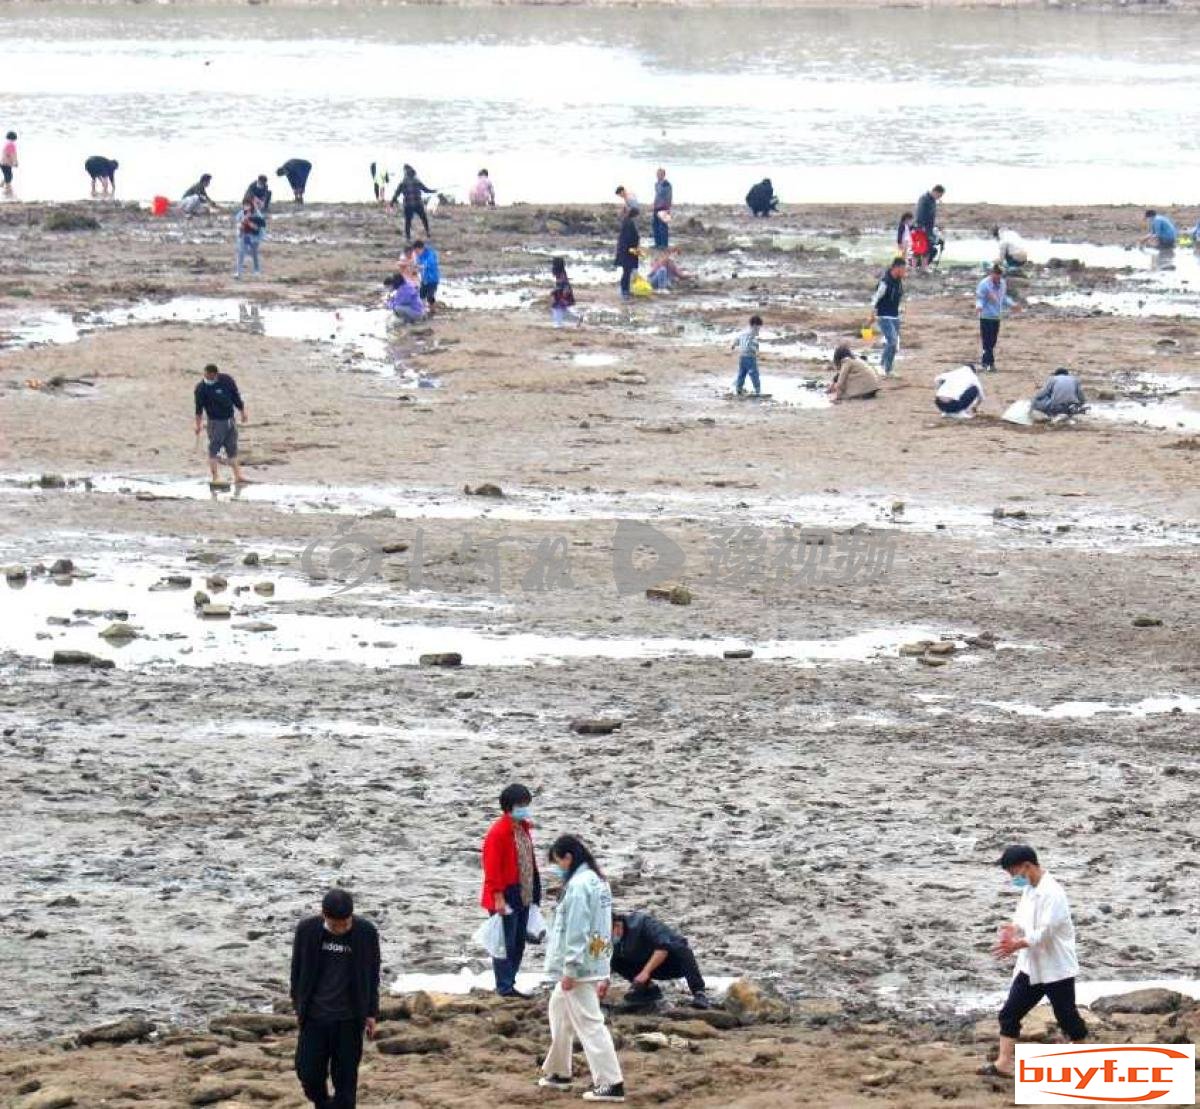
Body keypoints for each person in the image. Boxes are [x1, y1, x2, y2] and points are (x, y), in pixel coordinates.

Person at [981, 845, 1087, 1079]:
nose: (1012, 878)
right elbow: (1022, 917)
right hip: (1032, 967)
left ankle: (1083, 1057)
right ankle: (1003, 1064)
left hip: (1056, 967)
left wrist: (1016, 945)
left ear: (1027, 866)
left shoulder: (1053, 893)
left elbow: (1045, 932)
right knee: (1009, 1013)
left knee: (1067, 1017)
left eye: (1013, 873)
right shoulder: (1030, 888)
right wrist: (1012, 928)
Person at [538, 834, 625, 1104]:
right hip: (594, 960)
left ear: (568, 858)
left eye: (558, 862)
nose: (557, 868)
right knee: (559, 1011)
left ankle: (611, 1082)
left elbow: (577, 930)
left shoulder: (578, 886)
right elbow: (604, 926)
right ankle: (559, 1071)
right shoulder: (599, 882)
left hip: (579, 966)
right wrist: (605, 971)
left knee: (589, 1023)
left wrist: (570, 970)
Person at [290, 888, 381, 1109]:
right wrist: (297, 1004)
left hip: (349, 1019)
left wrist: (371, 1012)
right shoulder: (307, 930)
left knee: (346, 1081)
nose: (340, 929)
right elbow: (297, 970)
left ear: (352, 915)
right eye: (335, 924)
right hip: (314, 1017)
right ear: (324, 915)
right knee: (308, 1073)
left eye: (345, 923)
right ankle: (322, 1103)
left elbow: (373, 972)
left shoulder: (366, 932)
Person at [480, 783, 542, 998]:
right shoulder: (498, 833)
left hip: (523, 890)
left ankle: (510, 981)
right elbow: (492, 867)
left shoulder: (522, 828)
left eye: (526, 804)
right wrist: (497, 897)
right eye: (521, 805)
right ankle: (504, 986)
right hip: (505, 893)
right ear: (509, 807)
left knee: (517, 941)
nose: (525, 808)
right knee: (504, 942)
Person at [611, 910, 710, 1011]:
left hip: (673, 963)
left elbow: (663, 947)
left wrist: (645, 972)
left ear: (617, 925)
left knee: (680, 949)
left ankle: (699, 993)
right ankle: (648, 991)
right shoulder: (610, 939)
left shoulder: (642, 922)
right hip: (647, 964)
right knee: (613, 960)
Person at [193, 363, 247, 484]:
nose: (207, 378)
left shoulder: (226, 380)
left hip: (230, 420)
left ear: (215, 374)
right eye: (205, 375)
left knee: (232, 448)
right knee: (214, 448)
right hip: (215, 422)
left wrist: (242, 411)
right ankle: (215, 476)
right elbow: (198, 409)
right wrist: (198, 424)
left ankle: (238, 476)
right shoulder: (201, 388)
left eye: (209, 376)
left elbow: (235, 397)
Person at [975, 264, 1018, 372]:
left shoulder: (1002, 283)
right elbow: (979, 298)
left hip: (996, 316)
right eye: (995, 276)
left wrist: (1013, 305)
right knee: (987, 341)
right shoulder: (984, 284)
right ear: (991, 273)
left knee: (993, 341)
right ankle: (990, 364)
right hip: (985, 316)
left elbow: (1003, 298)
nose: (997, 279)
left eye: (999, 277)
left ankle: (986, 363)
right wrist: (979, 306)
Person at [868, 257, 906, 377]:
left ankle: (885, 367)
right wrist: (872, 314)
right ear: (896, 268)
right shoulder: (885, 282)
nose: (905, 272)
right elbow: (876, 298)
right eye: (903, 269)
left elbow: (899, 296)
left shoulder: (899, 281)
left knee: (894, 344)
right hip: (883, 316)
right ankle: (885, 368)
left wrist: (900, 309)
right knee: (892, 341)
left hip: (895, 316)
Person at [390, 164, 435, 240]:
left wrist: (392, 203)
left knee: (408, 221)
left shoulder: (403, 182)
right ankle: (427, 232)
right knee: (424, 218)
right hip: (418, 203)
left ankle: (408, 237)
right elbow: (426, 190)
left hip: (408, 205)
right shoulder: (417, 181)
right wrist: (433, 191)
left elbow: (397, 194)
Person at [234, 200, 266, 279]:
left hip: (255, 236)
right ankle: (239, 273)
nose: (246, 207)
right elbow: (238, 223)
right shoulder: (241, 213)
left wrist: (251, 224)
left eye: (248, 205)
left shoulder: (257, 214)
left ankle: (257, 270)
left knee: (254, 253)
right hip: (244, 235)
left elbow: (260, 226)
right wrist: (242, 225)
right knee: (241, 253)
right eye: (245, 205)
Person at [732, 314, 763, 397]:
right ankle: (757, 390)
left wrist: (734, 345)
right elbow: (751, 344)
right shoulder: (751, 334)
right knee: (754, 374)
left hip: (742, 357)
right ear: (755, 325)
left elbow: (737, 340)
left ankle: (738, 388)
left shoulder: (743, 333)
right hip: (750, 357)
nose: (758, 330)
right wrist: (756, 349)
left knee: (742, 373)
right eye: (758, 328)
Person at [914, 184, 945, 266]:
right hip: (921, 228)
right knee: (919, 250)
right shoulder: (924, 199)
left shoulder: (933, 201)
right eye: (939, 195)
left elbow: (931, 217)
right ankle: (915, 268)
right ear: (935, 192)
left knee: (929, 249)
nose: (939, 198)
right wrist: (922, 228)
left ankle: (923, 268)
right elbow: (920, 214)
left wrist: (937, 226)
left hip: (929, 229)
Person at [615, 208, 640, 300]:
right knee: (627, 272)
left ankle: (626, 290)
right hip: (627, 253)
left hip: (625, 251)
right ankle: (624, 291)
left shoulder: (627, 222)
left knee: (627, 272)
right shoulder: (629, 223)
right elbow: (630, 240)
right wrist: (635, 251)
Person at [412, 239, 440, 316]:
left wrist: (420, 267)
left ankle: (433, 310)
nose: (416, 253)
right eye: (415, 252)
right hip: (424, 279)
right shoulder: (419, 255)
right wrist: (415, 270)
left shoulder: (430, 253)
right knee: (421, 295)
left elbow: (430, 263)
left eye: (417, 251)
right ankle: (422, 311)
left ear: (420, 248)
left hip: (433, 279)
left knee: (430, 296)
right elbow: (417, 264)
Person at [550, 257, 580, 326]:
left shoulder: (561, 275)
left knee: (558, 307)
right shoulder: (561, 273)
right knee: (562, 307)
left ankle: (558, 324)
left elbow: (563, 285)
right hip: (562, 293)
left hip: (562, 294)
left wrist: (558, 292)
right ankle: (577, 316)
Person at [651, 167, 672, 249]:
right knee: (655, 225)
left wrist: (668, 208)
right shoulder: (656, 184)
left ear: (663, 175)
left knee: (663, 227)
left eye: (660, 174)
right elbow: (657, 196)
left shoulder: (666, 184)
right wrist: (653, 204)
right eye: (657, 174)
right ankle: (657, 243)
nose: (658, 176)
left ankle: (664, 245)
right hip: (656, 207)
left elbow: (669, 197)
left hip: (664, 207)